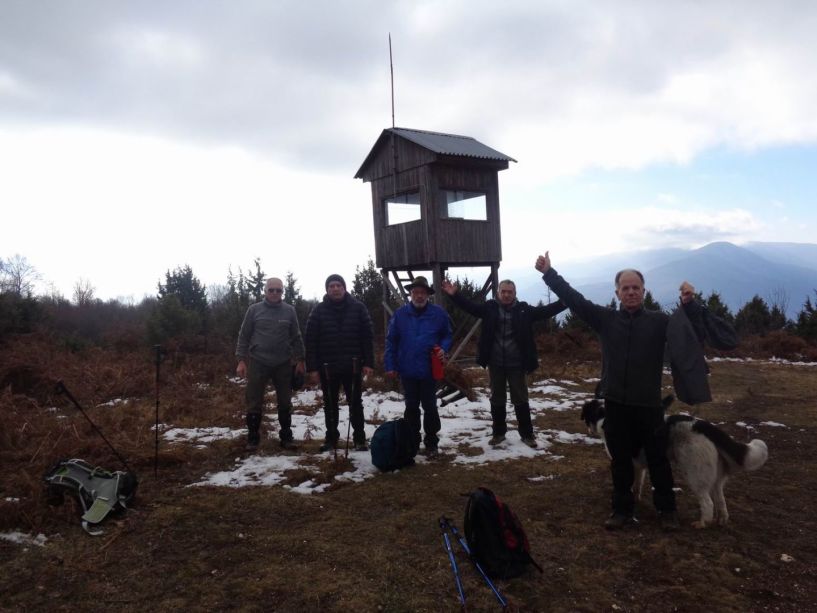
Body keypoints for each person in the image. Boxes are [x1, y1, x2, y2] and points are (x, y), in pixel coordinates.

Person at [535, 251, 735, 531]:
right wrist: (549, 274)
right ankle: (622, 511)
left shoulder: (659, 322)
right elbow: (575, 300)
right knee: (620, 463)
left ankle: (667, 511)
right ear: (617, 293)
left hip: (650, 406)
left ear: (643, 291)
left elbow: (692, 331)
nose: (630, 292)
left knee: (658, 461)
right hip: (616, 404)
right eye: (625, 288)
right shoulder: (605, 320)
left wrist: (690, 304)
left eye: (635, 288)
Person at [442, 278, 566, 447]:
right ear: (498, 293)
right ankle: (499, 433)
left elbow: (546, 311)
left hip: (517, 363)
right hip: (496, 363)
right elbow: (470, 307)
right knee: (497, 399)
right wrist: (454, 295)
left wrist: (566, 300)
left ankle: (527, 435)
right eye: (503, 292)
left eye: (510, 292)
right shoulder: (489, 308)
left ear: (515, 294)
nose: (506, 295)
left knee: (521, 399)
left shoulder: (524, 310)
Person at [304, 274, 375, 453]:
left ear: (344, 288)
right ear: (327, 290)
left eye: (338, 285)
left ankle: (359, 439)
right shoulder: (318, 311)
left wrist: (369, 362)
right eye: (331, 286)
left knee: (355, 403)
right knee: (330, 403)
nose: (335, 289)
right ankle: (331, 439)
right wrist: (312, 367)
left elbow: (367, 337)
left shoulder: (358, 308)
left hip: (353, 366)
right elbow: (310, 340)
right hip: (327, 367)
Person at [385, 276, 453, 458]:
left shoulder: (439, 314)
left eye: (423, 292)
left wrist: (444, 349)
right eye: (416, 292)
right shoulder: (399, 315)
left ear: (428, 295)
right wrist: (390, 364)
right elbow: (391, 341)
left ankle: (431, 443)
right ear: (410, 293)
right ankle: (412, 441)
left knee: (430, 407)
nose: (419, 296)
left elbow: (447, 335)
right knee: (411, 407)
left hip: (430, 370)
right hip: (407, 370)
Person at [236, 277, 305, 451]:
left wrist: (301, 360)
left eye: (278, 290)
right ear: (265, 291)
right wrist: (241, 360)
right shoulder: (254, 310)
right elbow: (243, 336)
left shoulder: (289, 311)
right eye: (271, 290)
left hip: (283, 363)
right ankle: (253, 438)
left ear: (282, 292)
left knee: (284, 401)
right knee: (253, 401)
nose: (275, 293)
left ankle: (286, 437)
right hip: (258, 361)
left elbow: (296, 336)